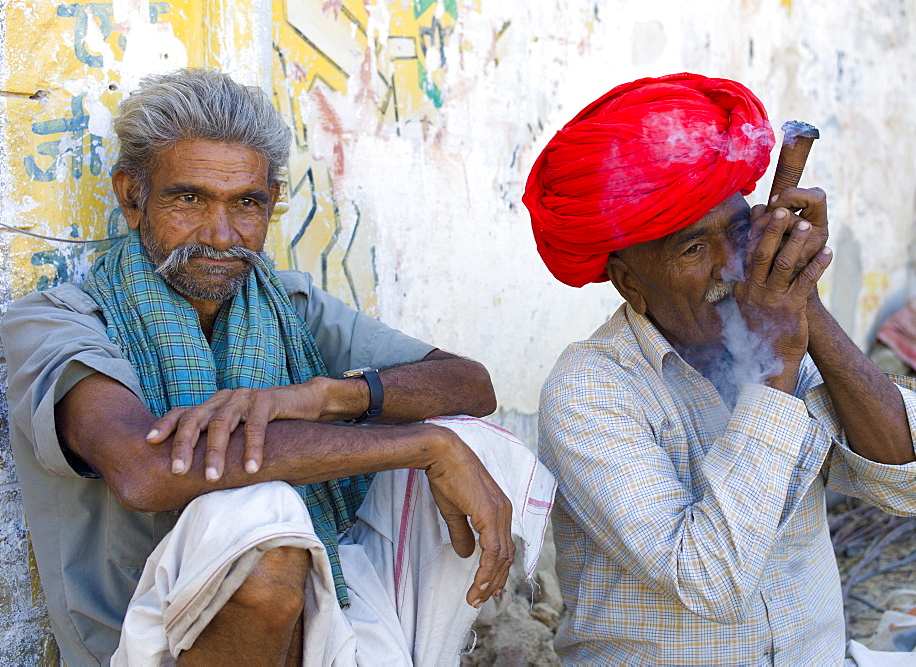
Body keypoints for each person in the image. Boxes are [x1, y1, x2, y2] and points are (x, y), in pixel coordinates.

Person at [1, 68, 554, 665]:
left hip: (310, 614)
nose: (219, 234)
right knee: (267, 518)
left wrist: (320, 398)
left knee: (474, 440)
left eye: (246, 204)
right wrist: (422, 444)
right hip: (137, 643)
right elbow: (146, 470)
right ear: (132, 197)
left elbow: (470, 383)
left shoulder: (284, 305)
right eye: (188, 199)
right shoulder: (54, 322)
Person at [522, 72, 916, 664]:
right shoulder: (591, 389)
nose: (733, 267)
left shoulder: (772, 327)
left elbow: (914, 485)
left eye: (739, 234)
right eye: (691, 249)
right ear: (631, 284)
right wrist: (773, 363)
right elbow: (711, 580)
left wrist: (805, 305)